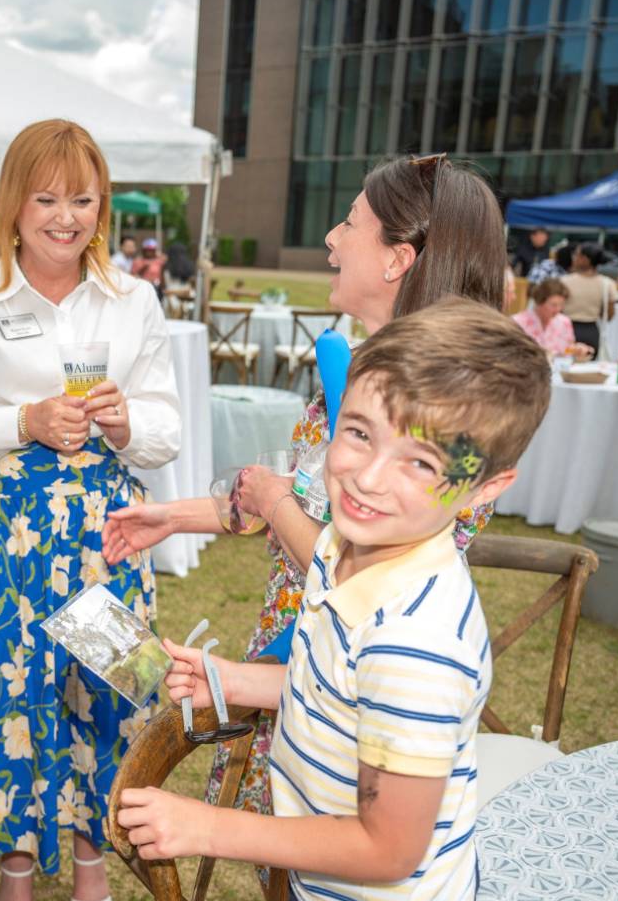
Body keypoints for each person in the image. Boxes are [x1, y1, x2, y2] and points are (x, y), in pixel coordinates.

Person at [119, 301, 552, 901]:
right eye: (358, 432)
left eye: (422, 463)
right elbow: (335, 684)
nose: (368, 477)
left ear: (483, 488)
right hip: (330, 900)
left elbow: (389, 848)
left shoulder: (416, 643)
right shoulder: (345, 547)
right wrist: (235, 679)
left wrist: (207, 827)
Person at [103, 153, 509, 827]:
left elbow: (355, 568)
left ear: (396, 260)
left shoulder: (442, 408)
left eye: (349, 223)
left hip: (349, 675)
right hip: (294, 659)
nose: (330, 238)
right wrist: (173, 517)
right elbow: (298, 493)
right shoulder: (363, 368)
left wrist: (273, 502)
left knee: (319, 846)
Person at [0, 118, 181, 901]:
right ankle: (17, 867)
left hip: (103, 538)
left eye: (83, 200)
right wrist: (19, 421)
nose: (66, 217)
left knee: (110, 693)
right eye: (48, 198)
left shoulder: (133, 301)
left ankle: (94, 854)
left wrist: (128, 423)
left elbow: (167, 430)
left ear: (103, 208)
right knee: (3, 701)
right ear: (14, 205)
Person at [558, 241, 616, 358]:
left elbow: (557, 310)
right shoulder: (607, 283)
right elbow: (609, 315)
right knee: (589, 366)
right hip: (592, 331)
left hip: (566, 329)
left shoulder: (564, 281)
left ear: (585, 259)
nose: (574, 258)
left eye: (576, 255)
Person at [514, 277, 591, 358]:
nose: (558, 309)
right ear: (539, 302)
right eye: (553, 305)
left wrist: (576, 350)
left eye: (561, 305)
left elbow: (566, 350)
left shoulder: (564, 322)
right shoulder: (519, 322)